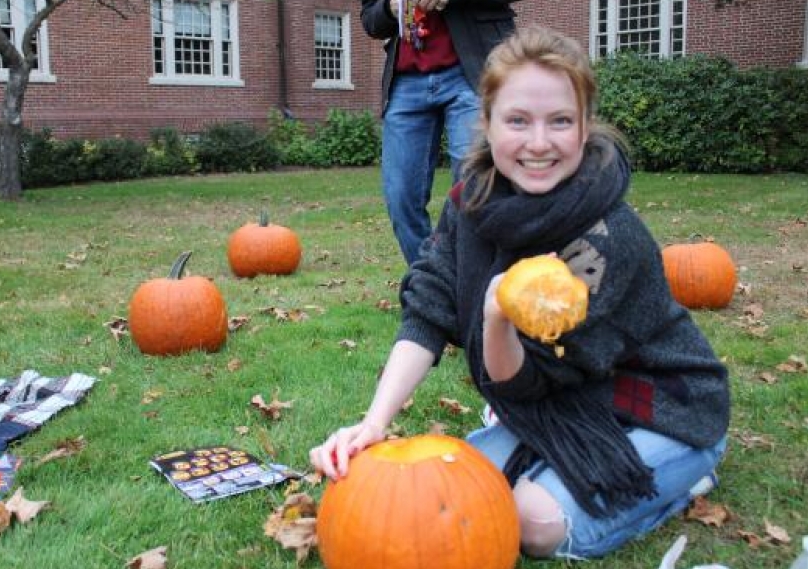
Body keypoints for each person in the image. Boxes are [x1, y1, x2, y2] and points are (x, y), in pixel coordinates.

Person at [310, 27, 730, 560]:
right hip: (564, 400)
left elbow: (528, 383)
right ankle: (550, 462)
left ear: (584, 128)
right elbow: (427, 309)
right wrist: (374, 422)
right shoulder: (472, 202)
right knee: (452, 488)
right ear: (485, 123)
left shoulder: (605, 238)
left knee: (531, 524)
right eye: (517, 120)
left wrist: (496, 319)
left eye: (560, 121)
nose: (538, 143)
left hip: (660, 405)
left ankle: (691, 471)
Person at [362, 0, 520, 265]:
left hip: (472, 70)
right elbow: (370, 19)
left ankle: (472, 281)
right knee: (400, 197)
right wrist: (393, 7)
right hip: (406, 80)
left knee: (475, 187)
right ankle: (430, 283)